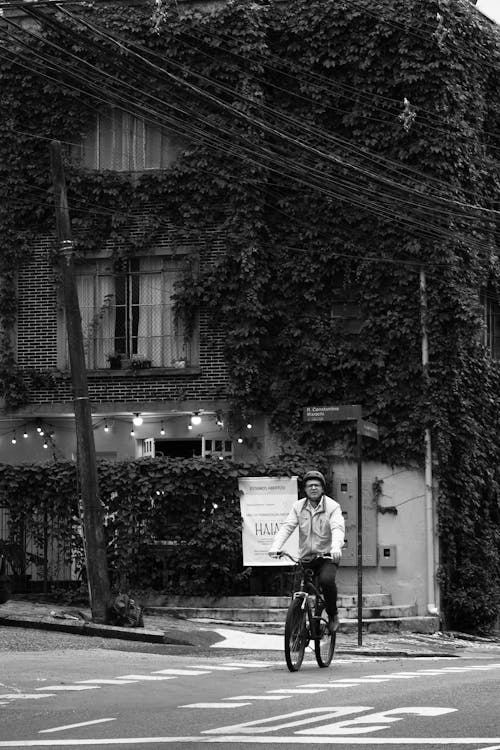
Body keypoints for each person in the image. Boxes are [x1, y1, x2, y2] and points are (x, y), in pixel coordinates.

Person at [268, 470, 344, 632]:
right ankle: (296, 632)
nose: (313, 488)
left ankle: (332, 614)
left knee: (326, 581)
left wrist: (336, 546)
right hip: (306, 557)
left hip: (327, 557)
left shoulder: (332, 507)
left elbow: (337, 527)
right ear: (305, 489)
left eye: (317, 485)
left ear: (323, 489)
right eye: (310, 486)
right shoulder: (298, 507)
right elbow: (287, 527)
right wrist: (276, 546)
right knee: (298, 592)